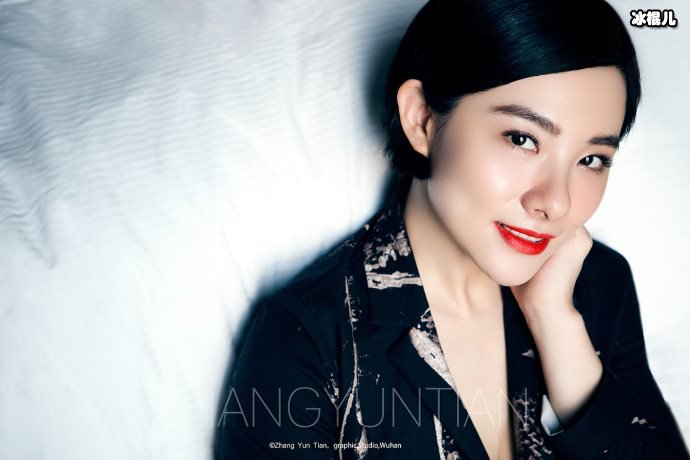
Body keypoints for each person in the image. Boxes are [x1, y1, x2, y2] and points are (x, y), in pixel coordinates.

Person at [214, 0, 690, 458]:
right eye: (522, 139)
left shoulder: (599, 284)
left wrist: (554, 321)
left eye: (592, 160)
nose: (557, 202)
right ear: (421, 119)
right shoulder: (311, 339)